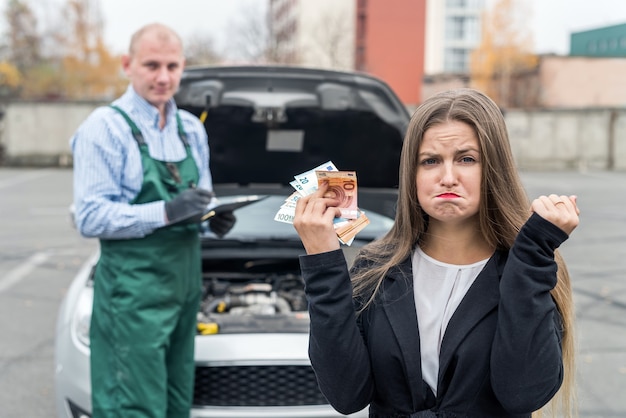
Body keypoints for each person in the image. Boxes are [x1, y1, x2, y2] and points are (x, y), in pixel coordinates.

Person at [293, 88, 579, 418]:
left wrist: (532, 252)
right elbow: (347, 396)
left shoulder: (530, 265)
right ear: (411, 174)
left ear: (494, 169)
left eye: (466, 159)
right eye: (430, 161)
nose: (447, 177)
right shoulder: (375, 269)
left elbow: (523, 393)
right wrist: (322, 260)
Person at [70, 23, 235, 417]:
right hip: (132, 298)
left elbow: (198, 204)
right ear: (128, 65)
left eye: (172, 66)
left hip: (184, 292)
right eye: (151, 65)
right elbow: (89, 217)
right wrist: (165, 211)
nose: (164, 78)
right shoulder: (104, 128)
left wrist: (210, 221)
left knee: (177, 404)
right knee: (134, 407)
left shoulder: (192, 130)